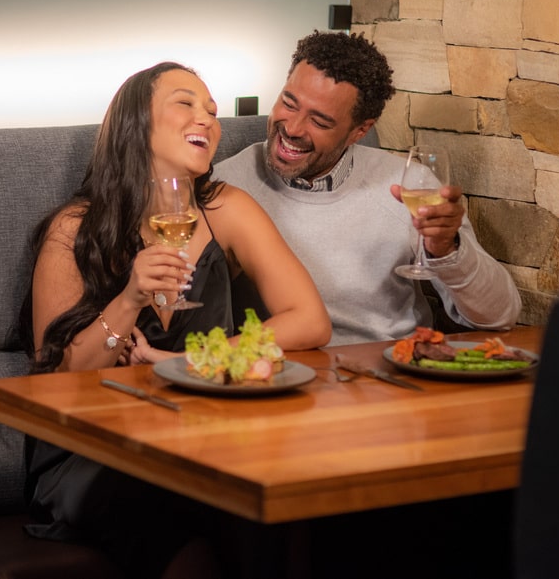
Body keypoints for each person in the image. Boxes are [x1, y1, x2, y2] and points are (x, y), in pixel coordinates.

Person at [19, 61, 331, 579]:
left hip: (201, 436)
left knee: (271, 497)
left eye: (212, 110)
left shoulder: (227, 209)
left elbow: (309, 322)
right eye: (186, 103)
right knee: (181, 505)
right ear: (135, 124)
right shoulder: (74, 229)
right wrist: (130, 297)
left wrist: (194, 360)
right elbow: (56, 380)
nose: (207, 119)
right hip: (96, 450)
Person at [213, 30, 521, 345]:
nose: (292, 129)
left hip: (390, 373)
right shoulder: (223, 186)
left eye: (320, 122)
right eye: (289, 104)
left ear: (360, 130)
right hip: (276, 374)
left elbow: (499, 316)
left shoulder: (408, 185)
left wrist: (448, 251)